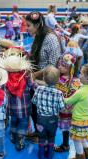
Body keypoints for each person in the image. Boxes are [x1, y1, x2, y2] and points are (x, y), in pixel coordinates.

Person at [26, 11, 62, 140]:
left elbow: (52, 65)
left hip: (45, 81)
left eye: (29, 25)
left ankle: (43, 136)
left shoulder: (50, 38)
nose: (26, 28)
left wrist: (34, 75)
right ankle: (38, 132)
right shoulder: (39, 35)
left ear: (37, 25)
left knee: (41, 110)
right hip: (37, 79)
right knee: (34, 108)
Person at [0, 52, 35, 151]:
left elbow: (1, 89)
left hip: (11, 106)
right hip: (24, 107)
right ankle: (20, 140)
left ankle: (13, 136)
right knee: (23, 123)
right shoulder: (26, 76)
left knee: (13, 121)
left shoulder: (5, 76)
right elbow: (33, 86)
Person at [32, 66, 65, 159]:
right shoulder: (59, 93)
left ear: (43, 78)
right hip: (52, 119)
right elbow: (62, 108)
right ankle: (50, 154)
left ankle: (41, 155)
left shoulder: (38, 89)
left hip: (40, 119)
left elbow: (34, 101)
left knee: (41, 136)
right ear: (58, 80)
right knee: (51, 136)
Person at [54, 53, 81, 152]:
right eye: (59, 64)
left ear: (69, 68)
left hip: (67, 109)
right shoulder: (58, 77)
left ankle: (65, 144)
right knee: (58, 126)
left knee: (66, 128)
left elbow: (75, 95)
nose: (59, 67)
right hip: (58, 108)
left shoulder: (75, 81)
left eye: (62, 65)